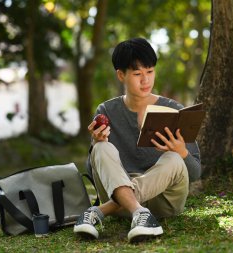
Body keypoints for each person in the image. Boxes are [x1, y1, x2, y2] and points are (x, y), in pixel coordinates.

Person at [73, 37, 201, 243]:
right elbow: (93, 170)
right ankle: (140, 213)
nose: (146, 80)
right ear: (121, 75)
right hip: (119, 196)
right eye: (137, 74)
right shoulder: (106, 111)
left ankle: (100, 212)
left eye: (150, 72)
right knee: (100, 149)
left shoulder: (174, 110)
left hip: (165, 202)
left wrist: (181, 151)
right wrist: (96, 143)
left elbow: (195, 173)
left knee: (174, 159)